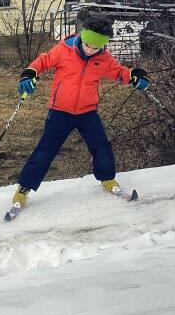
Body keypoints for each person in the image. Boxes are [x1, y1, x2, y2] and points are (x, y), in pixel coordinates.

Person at [11, 12, 150, 207]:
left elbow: (119, 72)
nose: (91, 50)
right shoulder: (63, 50)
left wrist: (135, 75)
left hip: (87, 112)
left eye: (96, 47)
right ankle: (24, 188)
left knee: (101, 146)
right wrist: (29, 74)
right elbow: (42, 62)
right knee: (45, 150)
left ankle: (107, 178)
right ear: (83, 37)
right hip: (60, 111)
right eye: (88, 45)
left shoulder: (103, 58)